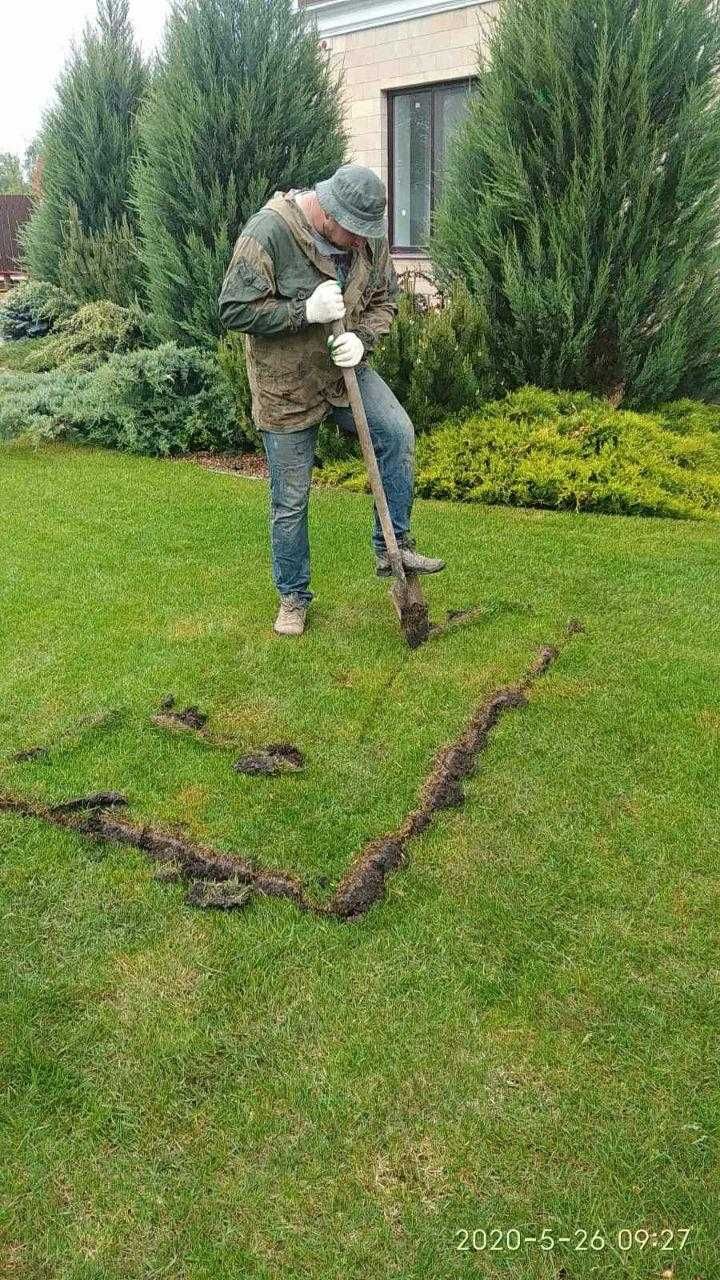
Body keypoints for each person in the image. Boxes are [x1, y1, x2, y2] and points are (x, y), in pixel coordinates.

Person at [218, 163, 445, 637]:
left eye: (368, 233)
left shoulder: (366, 238)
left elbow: (384, 300)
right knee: (291, 499)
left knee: (397, 434)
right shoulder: (270, 232)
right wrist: (306, 311)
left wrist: (363, 339)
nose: (362, 242)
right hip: (287, 386)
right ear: (327, 213)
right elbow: (234, 308)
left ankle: (393, 546)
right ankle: (293, 597)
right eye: (353, 233)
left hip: (345, 370)